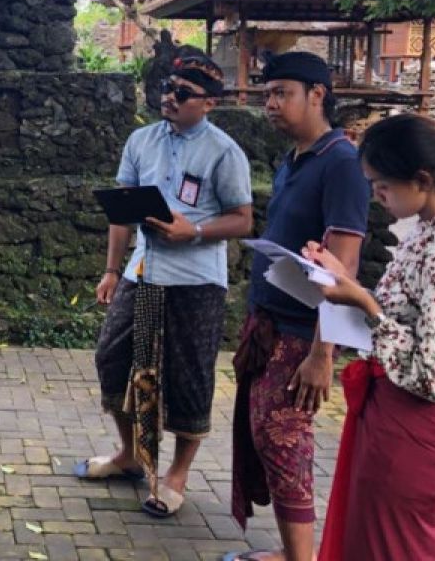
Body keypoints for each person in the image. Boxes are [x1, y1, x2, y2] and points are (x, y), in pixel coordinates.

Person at [305, 114, 435, 561]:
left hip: (414, 429)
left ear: (422, 180)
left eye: (383, 185)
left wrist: (365, 306)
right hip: (395, 419)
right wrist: (342, 280)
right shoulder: (432, 234)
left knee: (394, 549)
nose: (376, 196)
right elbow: (412, 322)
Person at [79, 50, 253, 519]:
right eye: (166, 89)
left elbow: (243, 219)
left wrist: (191, 231)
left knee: (190, 376)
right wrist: (112, 270)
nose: (169, 98)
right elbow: (122, 210)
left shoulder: (223, 152)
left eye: (182, 94)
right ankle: (130, 455)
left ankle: (176, 474)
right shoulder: (141, 141)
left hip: (195, 281)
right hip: (144, 272)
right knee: (112, 358)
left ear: (209, 104)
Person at [226, 52, 370, 561]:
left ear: (317, 95)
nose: (270, 104)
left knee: (285, 442)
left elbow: (341, 266)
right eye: (267, 94)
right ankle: (292, 554)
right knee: (267, 437)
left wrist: (322, 353)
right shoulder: (296, 157)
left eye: (281, 92)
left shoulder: (342, 164)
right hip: (269, 322)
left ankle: (302, 559)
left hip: (301, 332)